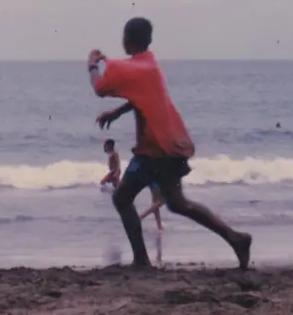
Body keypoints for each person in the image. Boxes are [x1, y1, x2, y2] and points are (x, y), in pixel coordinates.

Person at [90, 17, 251, 269]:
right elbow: (143, 95)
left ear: (126, 40)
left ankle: (141, 260)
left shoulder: (138, 68)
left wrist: (92, 65)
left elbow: (100, 87)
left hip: (154, 149)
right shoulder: (149, 65)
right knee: (177, 203)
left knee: (122, 198)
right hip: (168, 145)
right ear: (149, 40)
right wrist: (118, 112)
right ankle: (236, 238)